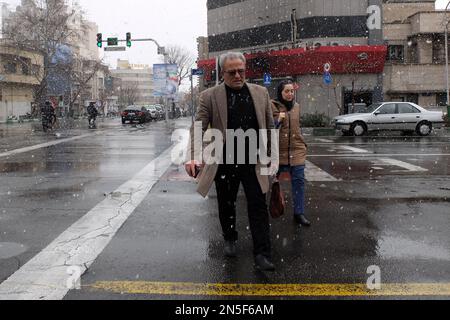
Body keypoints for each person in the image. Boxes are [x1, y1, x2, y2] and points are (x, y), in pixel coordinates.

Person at [185, 52, 277, 271]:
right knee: (227, 204)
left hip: (254, 162)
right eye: (232, 72)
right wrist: (194, 156)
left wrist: (273, 158)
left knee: (258, 206)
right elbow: (198, 127)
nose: (238, 75)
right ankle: (230, 236)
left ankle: (262, 254)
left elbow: (269, 127)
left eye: (241, 71)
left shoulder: (260, 93)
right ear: (223, 72)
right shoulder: (209, 96)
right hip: (225, 161)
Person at [271, 80, 311, 227]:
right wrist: (278, 120)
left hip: (297, 150)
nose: (289, 94)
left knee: (299, 182)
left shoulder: (297, 107)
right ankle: (272, 208)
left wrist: (303, 144)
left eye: (291, 91)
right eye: (286, 91)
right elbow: (269, 127)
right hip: (278, 152)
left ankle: (299, 213)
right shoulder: (272, 106)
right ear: (280, 93)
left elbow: (297, 128)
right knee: (271, 183)